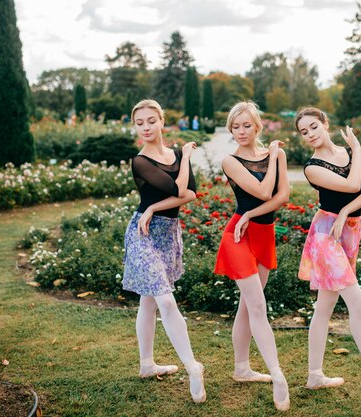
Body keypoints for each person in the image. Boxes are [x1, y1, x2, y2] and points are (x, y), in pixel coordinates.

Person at [295, 107, 361, 412]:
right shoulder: (312, 167)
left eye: (313, 127)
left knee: (325, 306)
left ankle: (314, 376)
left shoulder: (350, 153)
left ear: (325, 124)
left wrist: (349, 211)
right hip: (326, 234)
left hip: (349, 231)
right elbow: (352, 186)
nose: (310, 134)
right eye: (303, 132)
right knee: (356, 302)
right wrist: (358, 149)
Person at [122, 99, 206, 403]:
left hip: (167, 233)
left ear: (161, 121)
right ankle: (193, 367)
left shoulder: (175, 153)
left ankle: (147, 364)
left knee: (149, 300)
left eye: (150, 121)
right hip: (143, 233)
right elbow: (177, 190)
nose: (145, 127)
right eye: (139, 122)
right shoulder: (140, 160)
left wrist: (154, 206)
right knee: (165, 301)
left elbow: (191, 195)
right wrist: (186, 158)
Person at [213, 101, 291, 411]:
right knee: (258, 305)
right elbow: (263, 190)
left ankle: (242, 368)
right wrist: (272, 157)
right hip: (238, 236)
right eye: (235, 126)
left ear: (257, 126)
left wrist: (252, 215)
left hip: (262, 233)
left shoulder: (277, 154)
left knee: (248, 305)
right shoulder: (230, 161)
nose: (241, 131)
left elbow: (282, 196)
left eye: (247, 125)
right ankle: (278, 375)